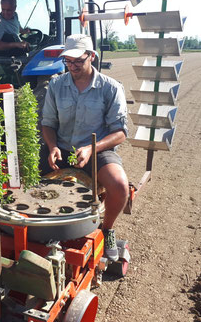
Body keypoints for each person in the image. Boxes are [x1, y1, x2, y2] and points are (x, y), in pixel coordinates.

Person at [41, 34, 129, 261]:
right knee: (23, 177)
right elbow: (48, 123)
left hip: (97, 150)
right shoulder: (56, 84)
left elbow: (120, 133)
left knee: (119, 186)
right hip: (61, 148)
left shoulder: (110, 88)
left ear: (91, 57)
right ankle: (41, 229)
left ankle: (107, 229)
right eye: (68, 61)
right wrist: (52, 147)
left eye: (78, 61)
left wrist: (92, 149)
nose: (72, 66)